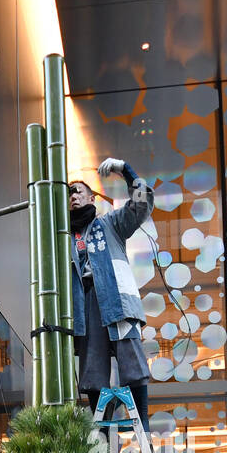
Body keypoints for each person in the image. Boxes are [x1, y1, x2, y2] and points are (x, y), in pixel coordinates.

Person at [68, 157, 154, 428]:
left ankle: (144, 424)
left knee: (132, 361)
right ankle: (101, 433)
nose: (72, 197)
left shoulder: (110, 224)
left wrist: (126, 170)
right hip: (85, 305)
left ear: (92, 198)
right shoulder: (64, 237)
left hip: (116, 300)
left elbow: (141, 203)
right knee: (92, 370)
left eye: (77, 191)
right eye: (68, 194)